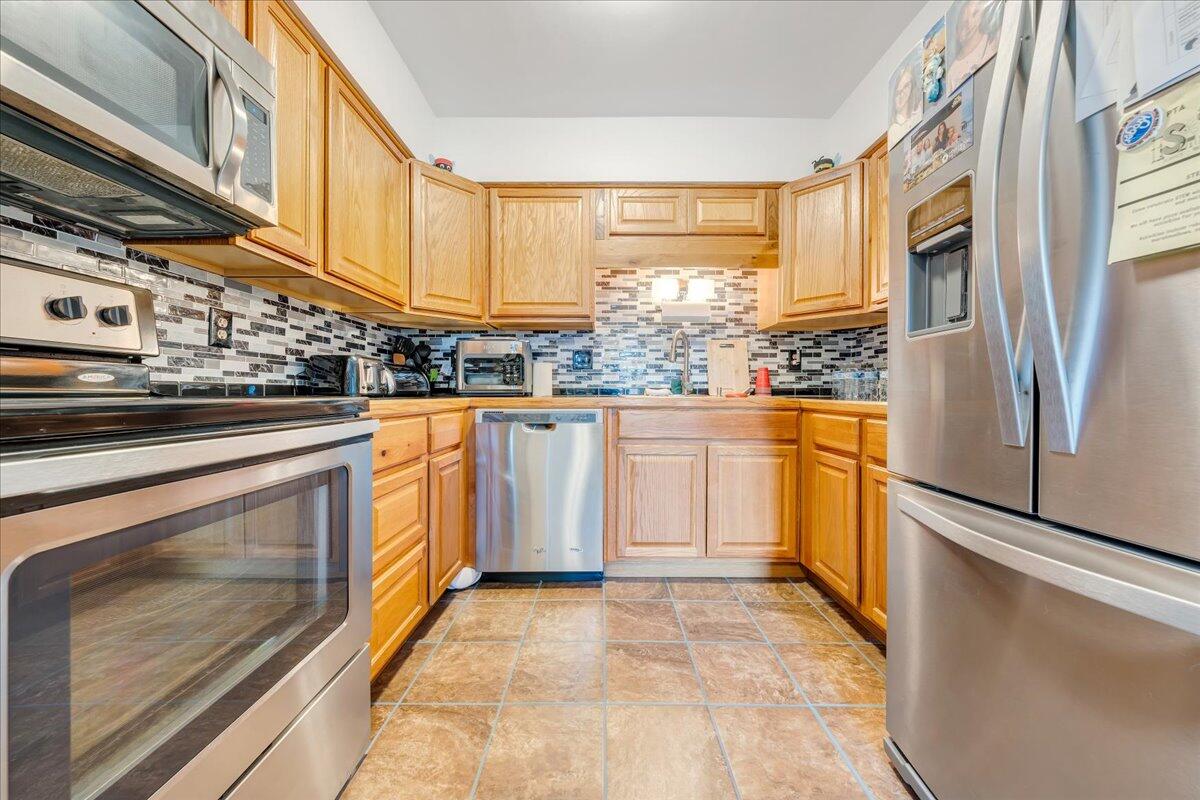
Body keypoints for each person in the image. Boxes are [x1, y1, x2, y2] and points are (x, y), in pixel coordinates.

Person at [947, 0, 1001, 91]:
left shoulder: (993, 39)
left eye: (974, 14)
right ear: (956, 31)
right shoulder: (953, 73)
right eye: (963, 21)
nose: (969, 23)